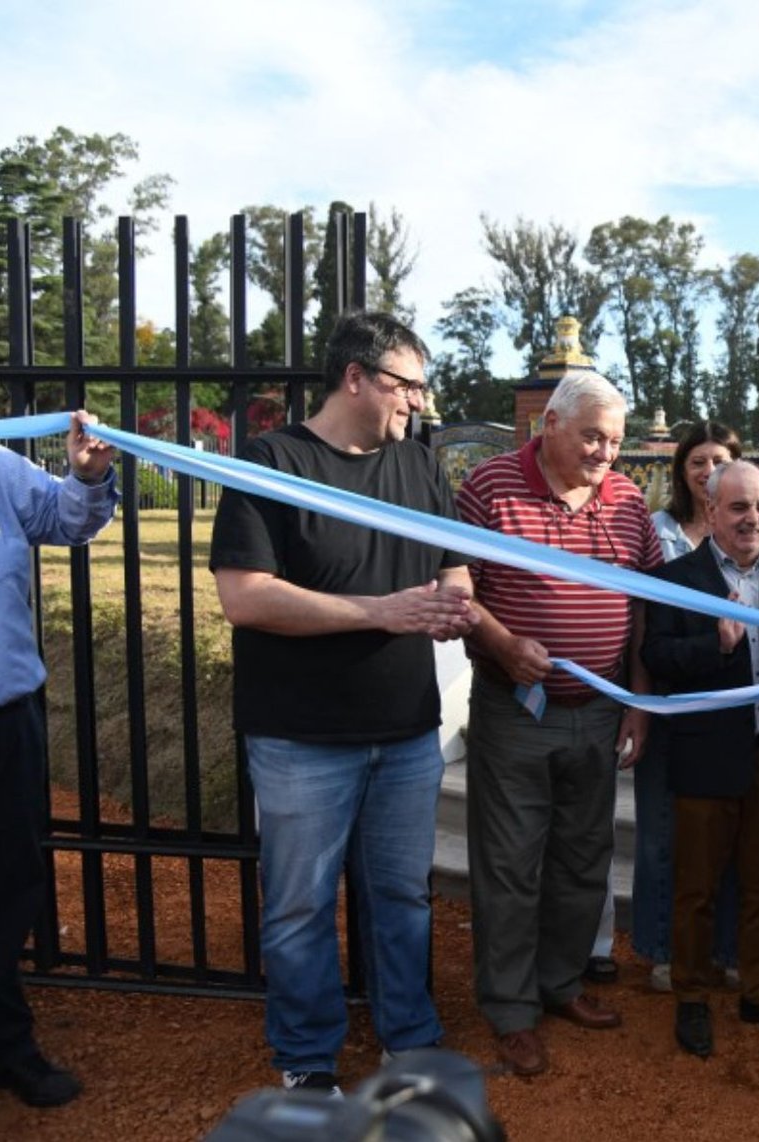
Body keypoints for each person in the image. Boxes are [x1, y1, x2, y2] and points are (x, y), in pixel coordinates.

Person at [210, 312, 475, 1095]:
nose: (417, 405)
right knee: (298, 906)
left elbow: (456, 564)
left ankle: (409, 1036)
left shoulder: (421, 467)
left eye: (422, 389)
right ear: (354, 378)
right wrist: (381, 611)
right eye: (406, 386)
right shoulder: (270, 462)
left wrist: (453, 601)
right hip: (300, 736)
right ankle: (307, 1057)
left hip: (403, 731)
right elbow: (245, 597)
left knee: (400, 896)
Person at [455, 371, 659, 1078]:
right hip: (515, 711)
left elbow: (644, 608)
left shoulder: (629, 499)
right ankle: (511, 1010)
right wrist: (505, 645)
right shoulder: (489, 487)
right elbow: (460, 587)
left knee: (582, 858)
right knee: (510, 864)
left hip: (598, 713)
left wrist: (637, 701)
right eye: (593, 437)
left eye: (615, 440)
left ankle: (561, 983)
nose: (606, 453)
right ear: (548, 425)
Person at [641, 460, 759, 1059]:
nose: (753, 519)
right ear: (710, 510)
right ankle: (693, 997)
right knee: (695, 887)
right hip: (704, 758)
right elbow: (658, 655)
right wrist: (712, 644)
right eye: (739, 508)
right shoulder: (678, 577)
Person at [0, 412, 116, 1108]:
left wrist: (87, 477)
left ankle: (3, 1047)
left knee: (6, 884)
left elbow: (65, 521)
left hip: (4, 716)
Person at [631, 420, 759, 993]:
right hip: (678, 714)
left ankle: (728, 951)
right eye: (699, 461)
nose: (708, 469)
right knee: (671, 844)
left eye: (721, 459)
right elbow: (652, 633)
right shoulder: (662, 537)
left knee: (740, 854)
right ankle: (669, 952)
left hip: (746, 729)